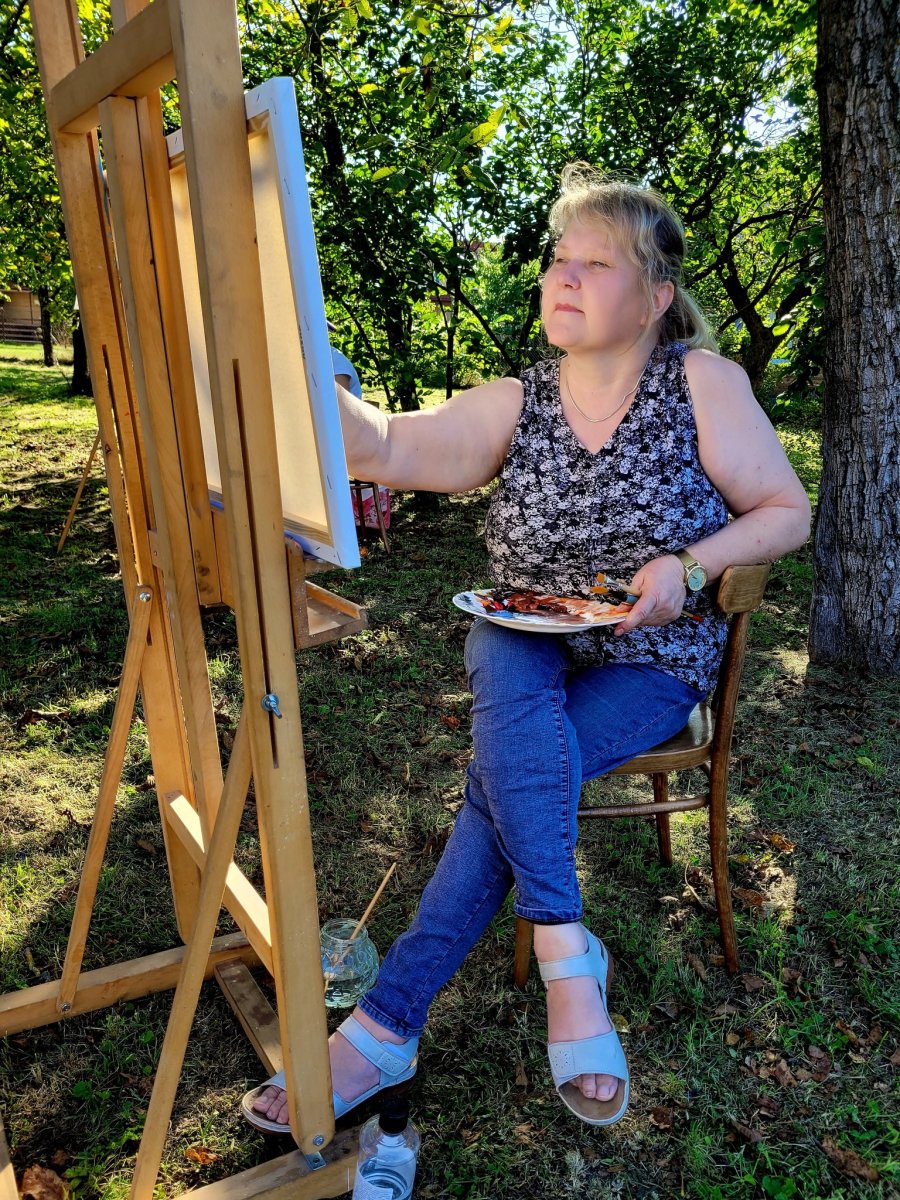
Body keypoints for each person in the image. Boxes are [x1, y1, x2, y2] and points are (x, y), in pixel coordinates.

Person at [243, 164, 811, 1134]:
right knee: (513, 706)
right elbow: (383, 447)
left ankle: (383, 1028)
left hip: (650, 655)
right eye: (559, 259)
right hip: (522, 632)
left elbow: (787, 511)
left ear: (655, 299)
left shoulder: (701, 385)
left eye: (597, 262)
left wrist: (689, 563)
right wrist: (297, 347)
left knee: (504, 778)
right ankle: (563, 950)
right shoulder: (519, 400)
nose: (565, 276)